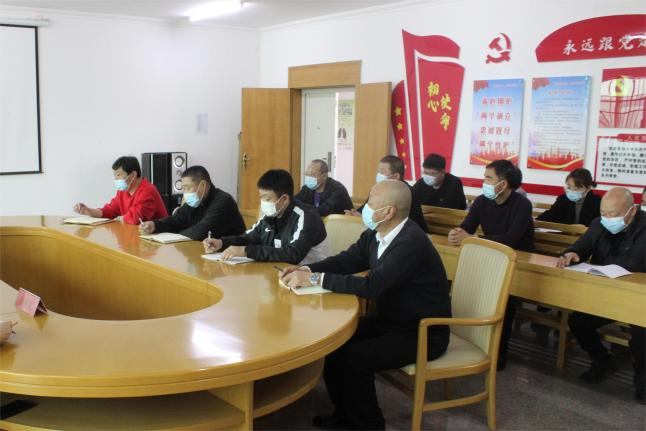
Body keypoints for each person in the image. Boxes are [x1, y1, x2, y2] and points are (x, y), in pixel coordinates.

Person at [281, 180, 451, 430]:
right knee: (335, 342)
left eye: (371, 202)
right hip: (391, 321)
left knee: (355, 360)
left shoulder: (410, 242)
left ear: (389, 211)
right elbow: (347, 260)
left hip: (422, 331)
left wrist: (315, 280)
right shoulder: (377, 233)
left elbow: (373, 286)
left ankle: (369, 424)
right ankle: (345, 413)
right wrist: (306, 269)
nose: (366, 207)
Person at [558, 187, 645, 404]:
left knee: (642, 335)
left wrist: (598, 268)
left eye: (613, 214)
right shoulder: (599, 223)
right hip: (606, 292)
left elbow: (633, 263)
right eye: (603, 213)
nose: (607, 219)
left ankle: (642, 381)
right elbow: (583, 245)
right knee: (578, 321)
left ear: (632, 211)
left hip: (639, 297)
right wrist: (572, 253)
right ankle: (602, 360)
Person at [448, 159, 534, 370]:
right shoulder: (482, 201)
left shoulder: (522, 204)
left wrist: (473, 238)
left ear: (503, 184)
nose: (484, 182)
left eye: (488, 178)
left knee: (504, 304)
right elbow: (467, 227)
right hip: (489, 257)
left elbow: (511, 239)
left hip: (517, 262)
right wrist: (456, 233)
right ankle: (473, 344)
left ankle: (499, 353)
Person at [202, 169, 329, 265]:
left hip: (311, 276)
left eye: (267, 198)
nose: (263, 203)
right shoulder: (271, 214)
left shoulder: (307, 216)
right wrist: (222, 243)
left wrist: (247, 251)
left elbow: (293, 254)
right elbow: (249, 238)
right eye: (261, 197)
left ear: (284, 199)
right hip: (280, 272)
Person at [139, 165, 245, 240]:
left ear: (203, 185)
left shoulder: (224, 201)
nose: (185, 193)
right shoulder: (197, 201)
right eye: (183, 188)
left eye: (188, 188)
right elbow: (177, 220)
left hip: (230, 256)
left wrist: (176, 234)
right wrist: (155, 225)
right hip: (204, 251)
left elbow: (201, 232)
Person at [73, 156, 168, 224]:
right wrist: (89, 211)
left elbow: (135, 218)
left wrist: (118, 219)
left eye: (118, 175)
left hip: (157, 240)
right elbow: (111, 210)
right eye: (115, 176)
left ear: (133, 175)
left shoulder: (147, 190)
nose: (116, 180)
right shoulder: (123, 191)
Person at [346, 155, 428, 232]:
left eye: (382, 172)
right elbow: (366, 207)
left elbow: (396, 222)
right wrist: (356, 213)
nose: (378, 175)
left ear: (396, 176)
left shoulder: (407, 193)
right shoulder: (378, 189)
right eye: (378, 171)